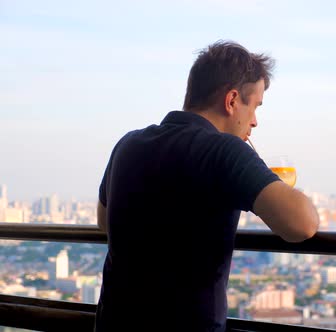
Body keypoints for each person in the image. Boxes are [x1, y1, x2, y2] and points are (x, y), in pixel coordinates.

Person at [95, 40, 320, 331]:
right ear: (231, 100)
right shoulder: (223, 151)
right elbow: (301, 224)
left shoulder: (128, 144)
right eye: (254, 107)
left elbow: (104, 222)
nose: (254, 122)